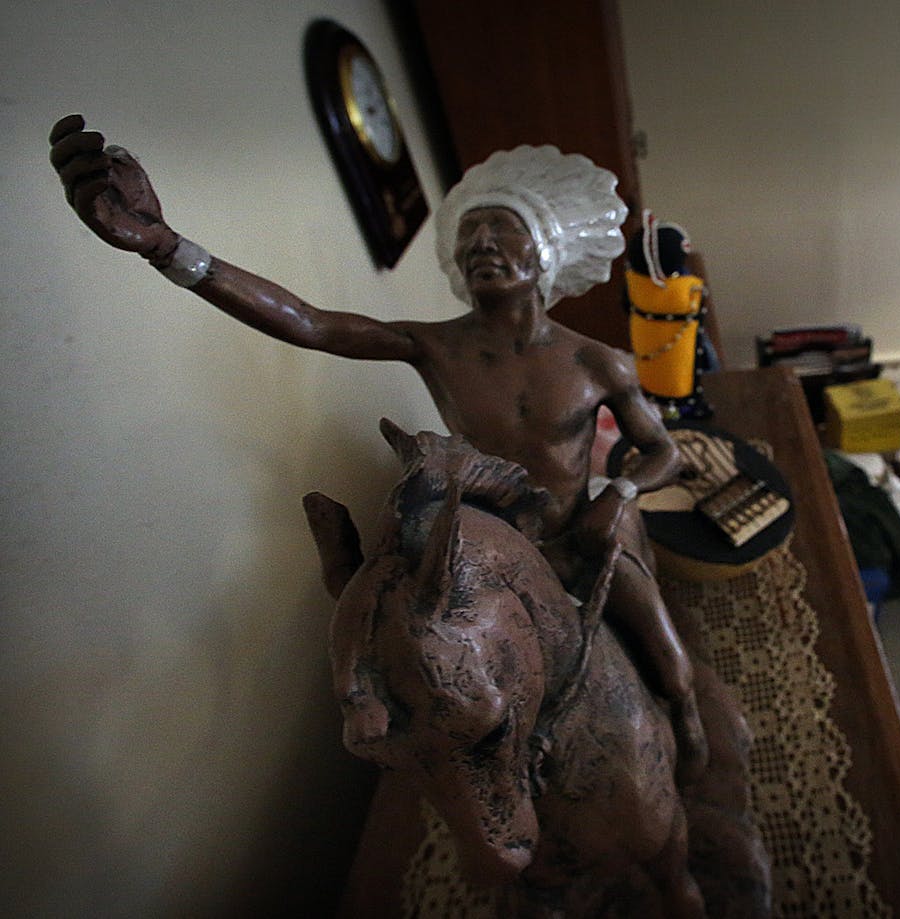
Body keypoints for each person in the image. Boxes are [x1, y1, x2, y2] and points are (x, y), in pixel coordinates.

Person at [48, 113, 708, 781]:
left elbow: (664, 454)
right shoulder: (436, 345)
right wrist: (167, 247)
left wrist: (617, 493)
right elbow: (311, 324)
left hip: (580, 536)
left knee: (663, 646)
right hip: (494, 545)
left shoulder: (600, 362)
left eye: (502, 228)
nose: (481, 241)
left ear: (546, 251)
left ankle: (683, 711)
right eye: (471, 231)